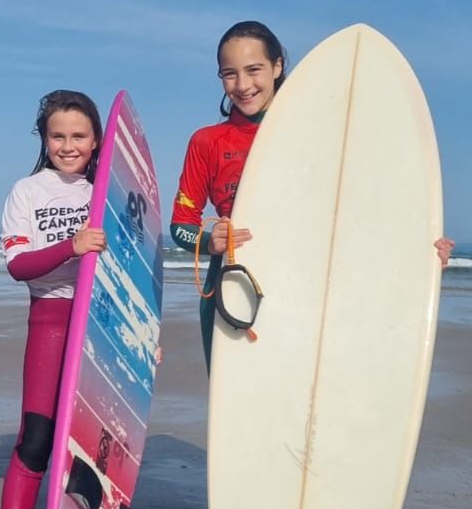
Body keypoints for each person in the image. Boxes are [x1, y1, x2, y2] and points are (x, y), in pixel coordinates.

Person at [171, 20, 454, 368]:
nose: (243, 85)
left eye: (254, 69)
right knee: (237, 410)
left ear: (277, 67)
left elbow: (363, 214)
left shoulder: (324, 135)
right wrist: (207, 241)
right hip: (232, 287)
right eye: (230, 74)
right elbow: (180, 225)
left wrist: (420, 253)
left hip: (308, 285)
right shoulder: (207, 143)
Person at [0, 90, 105, 509]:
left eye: (79, 135)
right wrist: (71, 247)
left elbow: (135, 276)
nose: (68, 145)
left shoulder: (107, 191)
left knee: (91, 453)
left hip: (101, 324)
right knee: (36, 437)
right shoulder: (29, 191)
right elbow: (19, 266)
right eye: (58, 136)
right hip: (51, 317)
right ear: (44, 138)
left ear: (97, 139)